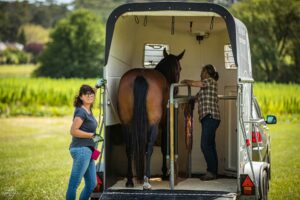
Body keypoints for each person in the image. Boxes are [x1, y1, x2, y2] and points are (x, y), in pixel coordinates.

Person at [181, 64, 220, 181]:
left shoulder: (210, 81)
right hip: (208, 118)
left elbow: (195, 83)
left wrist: (185, 81)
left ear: (207, 72)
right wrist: (188, 101)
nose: (200, 74)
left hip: (210, 117)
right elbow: (196, 98)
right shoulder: (204, 88)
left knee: (205, 145)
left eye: (202, 71)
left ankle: (211, 172)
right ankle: (213, 171)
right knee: (210, 146)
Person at [66, 84, 98, 200]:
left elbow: (91, 94)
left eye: (91, 94)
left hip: (88, 150)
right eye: (86, 94)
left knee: (92, 184)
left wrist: (96, 87)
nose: (90, 96)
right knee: (74, 184)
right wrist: (91, 135)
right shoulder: (81, 112)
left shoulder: (88, 109)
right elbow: (73, 131)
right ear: (81, 97)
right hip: (81, 150)